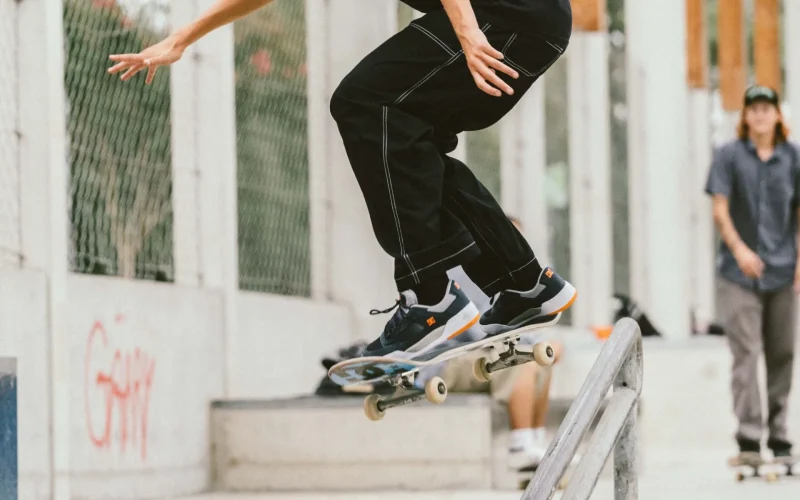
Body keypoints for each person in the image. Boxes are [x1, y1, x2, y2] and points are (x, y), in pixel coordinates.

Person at [107, 0, 577, 359]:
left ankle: (429, 299)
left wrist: (470, 33)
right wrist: (183, 37)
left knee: (363, 102)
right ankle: (524, 284)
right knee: (410, 139)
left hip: (504, 17)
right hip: (528, 23)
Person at [705, 84, 799, 459]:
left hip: (783, 270)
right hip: (738, 273)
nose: (760, 115)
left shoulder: (793, 158)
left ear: (778, 114)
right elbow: (719, 208)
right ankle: (748, 435)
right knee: (746, 352)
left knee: (782, 353)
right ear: (745, 116)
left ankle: (778, 432)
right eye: (753, 109)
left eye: (767, 108)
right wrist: (741, 250)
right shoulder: (728, 155)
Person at [443, 214, 572, 469]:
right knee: (523, 359)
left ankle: (536, 441)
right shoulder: (467, 272)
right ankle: (520, 444)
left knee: (538, 358)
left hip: (481, 356)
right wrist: (532, 342)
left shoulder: (509, 280)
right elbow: (480, 332)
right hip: (451, 360)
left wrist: (545, 343)